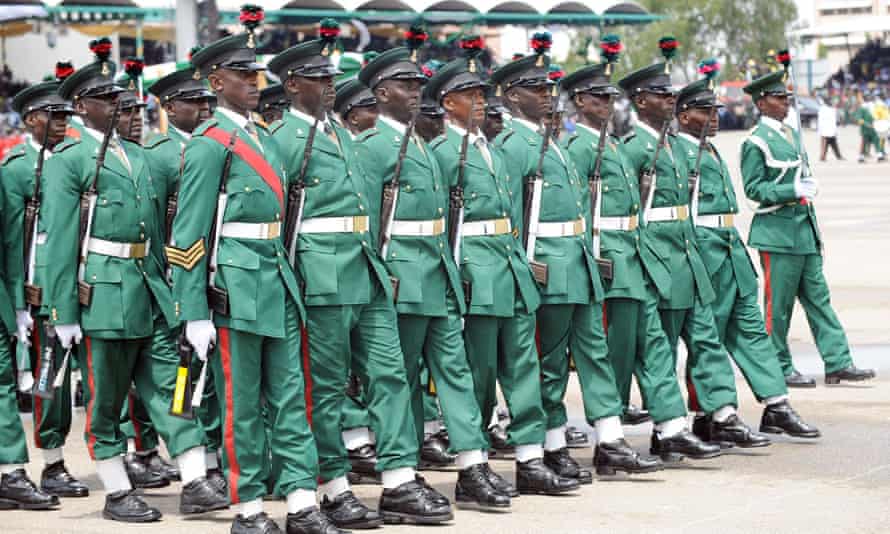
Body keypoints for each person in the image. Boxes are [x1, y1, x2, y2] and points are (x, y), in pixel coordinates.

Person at [267, 35, 455, 526]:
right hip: (319, 275)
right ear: (291, 86)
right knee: (325, 388)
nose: (331, 85)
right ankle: (333, 486)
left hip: (366, 271)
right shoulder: (282, 140)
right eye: (318, 78)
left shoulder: (344, 137)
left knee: (391, 375)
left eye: (331, 77)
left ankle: (397, 479)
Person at [168, 30, 346, 534]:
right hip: (235, 287)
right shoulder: (208, 145)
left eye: (255, 74)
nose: (253, 82)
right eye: (242, 76)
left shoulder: (264, 137)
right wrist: (194, 311)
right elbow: (189, 234)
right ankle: (248, 509)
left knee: (290, 397)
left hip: (275, 279)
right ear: (216, 81)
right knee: (241, 404)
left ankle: (300, 502)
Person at [43, 54, 228, 522]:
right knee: (106, 399)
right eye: (108, 99)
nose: (121, 106)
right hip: (104, 295)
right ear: (82, 106)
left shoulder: (140, 155)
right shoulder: (70, 159)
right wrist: (62, 313)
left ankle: (195, 479)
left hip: (149, 289)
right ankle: (117, 490)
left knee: (174, 387)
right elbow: (63, 242)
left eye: (121, 98)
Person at [356, 45, 520, 509]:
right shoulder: (371, 147)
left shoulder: (423, 145)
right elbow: (370, 222)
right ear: (380, 92)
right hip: (400, 279)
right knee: (398, 379)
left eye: (417, 85)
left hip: (437, 274)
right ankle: (401, 470)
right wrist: (380, 275)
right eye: (405, 86)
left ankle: (472, 463)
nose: (415, 92)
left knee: (455, 373)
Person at [494, 49, 665, 479]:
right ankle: (551, 446)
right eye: (536, 90)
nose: (548, 96)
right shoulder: (513, 146)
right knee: (548, 362)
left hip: (578, 261)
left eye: (548, 88)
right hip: (546, 266)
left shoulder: (547, 140)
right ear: (513, 97)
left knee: (595, 353)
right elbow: (512, 216)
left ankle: (610, 439)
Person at [560, 61, 719, 463]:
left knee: (652, 347)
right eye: (599, 98)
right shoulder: (578, 148)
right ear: (579, 102)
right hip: (608, 258)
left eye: (610, 98)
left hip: (635, 253)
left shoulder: (611, 143)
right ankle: (607, 436)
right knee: (612, 351)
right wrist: (593, 258)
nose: (607, 105)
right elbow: (580, 210)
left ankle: (670, 428)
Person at [619, 59, 768, 452]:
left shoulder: (672, 146)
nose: (670, 100)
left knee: (706, 338)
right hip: (658, 254)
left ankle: (722, 415)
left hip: (688, 252)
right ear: (640, 101)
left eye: (671, 94)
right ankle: (666, 430)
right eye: (662, 95)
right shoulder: (633, 148)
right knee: (661, 347)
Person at [673, 77, 820, 441]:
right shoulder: (677, 151)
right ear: (683, 115)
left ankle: (776, 403)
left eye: (715, 110)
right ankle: (714, 413)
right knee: (708, 334)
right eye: (705, 111)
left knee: (751, 329)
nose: (714, 117)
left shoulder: (708, 149)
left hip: (729, 247)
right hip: (704, 248)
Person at [741, 70, 876, 387]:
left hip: (803, 230)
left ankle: (838, 362)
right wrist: (792, 191)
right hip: (777, 232)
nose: (785, 103)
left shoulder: (791, 134)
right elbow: (754, 189)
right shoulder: (755, 141)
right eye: (779, 98)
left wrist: (806, 191)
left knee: (819, 299)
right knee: (779, 306)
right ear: (762, 103)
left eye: (787, 97)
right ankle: (778, 366)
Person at [144, 65, 223, 490]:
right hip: (179, 278)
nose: (203, 107)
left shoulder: (214, 144)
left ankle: (212, 457)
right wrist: (173, 281)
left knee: (211, 376)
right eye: (193, 102)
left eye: (206, 101)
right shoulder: (159, 153)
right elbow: (157, 226)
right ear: (170, 108)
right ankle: (193, 467)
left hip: (217, 274)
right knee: (182, 375)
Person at [0, 81, 79, 507]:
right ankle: (51, 461)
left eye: (67, 115)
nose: (63, 122)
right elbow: (15, 239)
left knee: (64, 380)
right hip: (40, 287)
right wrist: (19, 298)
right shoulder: (14, 168)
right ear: (30, 120)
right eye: (55, 116)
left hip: (76, 278)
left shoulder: (73, 159)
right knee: (47, 379)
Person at [853, 92, 885, 162]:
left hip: (874, 128)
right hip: (865, 129)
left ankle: (879, 155)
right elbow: (858, 118)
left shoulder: (874, 106)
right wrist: (866, 124)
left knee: (877, 141)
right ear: (865, 98)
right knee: (864, 143)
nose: (871, 98)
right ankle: (861, 157)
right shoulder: (862, 107)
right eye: (869, 97)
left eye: (871, 97)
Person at [817, 96, 843, 161]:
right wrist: (820, 131)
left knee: (834, 144)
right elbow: (820, 121)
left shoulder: (832, 109)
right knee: (824, 145)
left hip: (832, 130)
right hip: (825, 131)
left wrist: (835, 130)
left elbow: (834, 121)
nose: (831, 102)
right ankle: (822, 157)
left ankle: (838, 156)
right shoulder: (823, 109)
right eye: (829, 101)